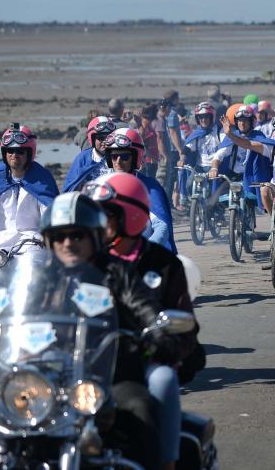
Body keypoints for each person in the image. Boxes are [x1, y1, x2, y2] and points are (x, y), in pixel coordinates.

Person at [39, 192, 179, 469]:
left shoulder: (117, 272)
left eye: (77, 235)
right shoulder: (41, 280)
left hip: (109, 376)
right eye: (59, 236)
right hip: (49, 378)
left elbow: (144, 307)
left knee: (139, 409)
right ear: (49, 241)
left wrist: (157, 332)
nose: (68, 243)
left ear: (94, 236)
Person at [83, 172, 199, 470]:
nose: (97, 223)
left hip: (144, 357)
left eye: (106, 215)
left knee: (163, 379)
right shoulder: (88, 260)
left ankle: (165, 461)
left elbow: (185, 325)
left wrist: (163, 342)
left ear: (131, 215)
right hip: (88, 358)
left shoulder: (162, 263)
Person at [103, 127, 176, 253]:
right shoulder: (101, 186)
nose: (118, 162)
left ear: (136, 157)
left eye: (124, 156)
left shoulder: (149, 187)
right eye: (114, 156)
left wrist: (143, 251)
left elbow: (161, 227)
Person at [0, 124, 59, 266]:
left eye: (20, 151)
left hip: (31, 243)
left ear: (29, 153)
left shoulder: (41, 179)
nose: (14, 155)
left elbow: (50, 214)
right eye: (10, 150)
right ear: (4, 153)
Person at [62, 116, 117, 192]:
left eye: (108, 138)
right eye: (101, 138)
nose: (105, 141)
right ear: (93, 139)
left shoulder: (118, 157)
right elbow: (70, 187)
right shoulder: (83, 158)